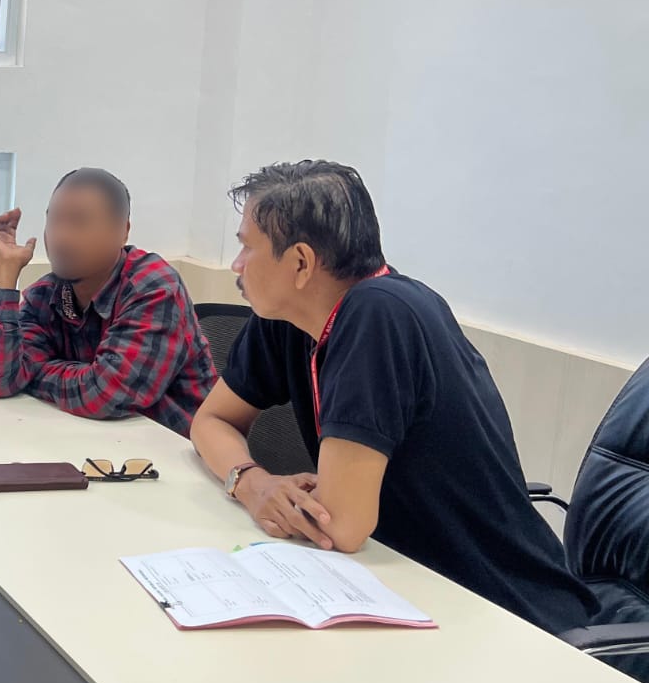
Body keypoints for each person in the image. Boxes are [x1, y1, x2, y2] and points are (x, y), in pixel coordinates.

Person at [190, 159, 597, 634]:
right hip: (397, 584)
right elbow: (210, 422)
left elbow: (341, 526)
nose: (237, 265)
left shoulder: (379, 315)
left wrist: (280, 494)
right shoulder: (289, 315)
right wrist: (253, 483)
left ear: (300, 263)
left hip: (498, 610)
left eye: (246, 247)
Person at [0, 168, 216, 436]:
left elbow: (106, 395)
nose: (61, 237)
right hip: (92, 440)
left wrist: (33, 373)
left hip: (173, 448)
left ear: (122, 231)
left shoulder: (153, 287)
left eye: (79, 222)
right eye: (54, 221)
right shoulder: (47, 294)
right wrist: (5, 270)